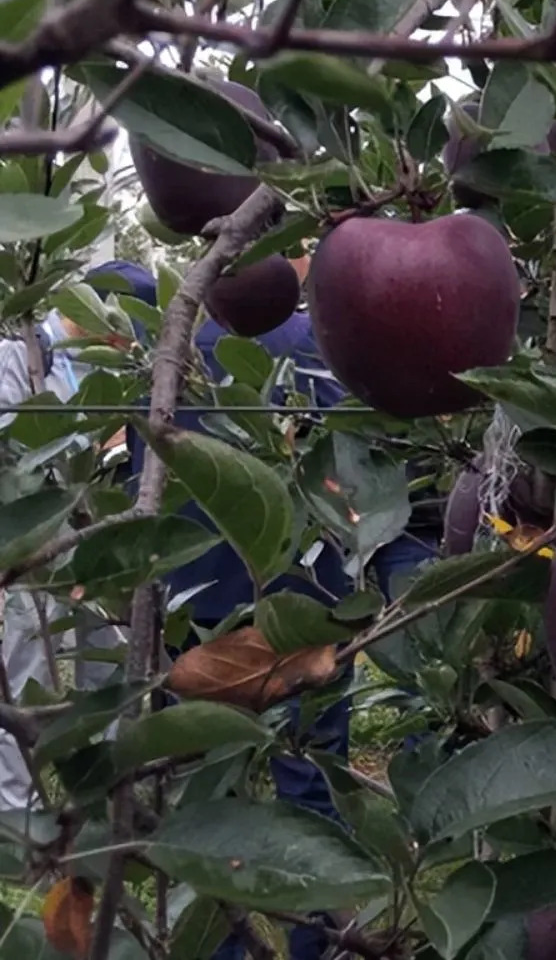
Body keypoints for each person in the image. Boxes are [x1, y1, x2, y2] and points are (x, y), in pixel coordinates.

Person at [122, 260, 438, 960]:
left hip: (195, 607)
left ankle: (223, 945)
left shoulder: (169, 361)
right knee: (313, 781)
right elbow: (367, 475)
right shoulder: (329, 354)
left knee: (207, 795)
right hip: (310, 609)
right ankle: (317, 940)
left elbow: (132, 491)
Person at [0, 261, 157, 815]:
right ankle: (16, 805)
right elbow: (16, 453)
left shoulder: (110, 371)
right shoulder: (17, 357)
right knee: (30, 665)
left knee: (110, 654)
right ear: (97, 315)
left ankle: (112, 787)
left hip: (99, 533)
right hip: (38, 540)